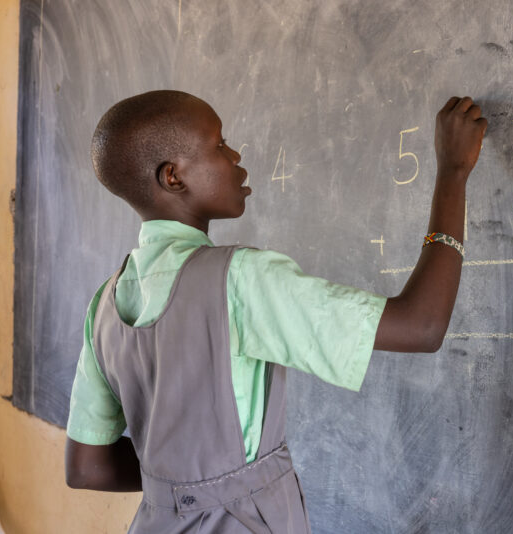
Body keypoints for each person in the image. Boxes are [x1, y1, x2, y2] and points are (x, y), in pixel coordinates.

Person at [64, 90, 486, 533]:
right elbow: (421, 326)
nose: (236, 154)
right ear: (173, 176)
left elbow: (86, 467)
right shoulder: (240, 279)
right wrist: (453, 173)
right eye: (219, 144)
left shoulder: (104, 304)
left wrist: (180, 482)